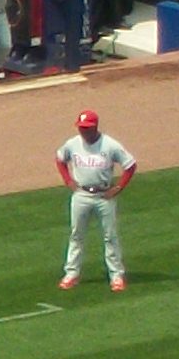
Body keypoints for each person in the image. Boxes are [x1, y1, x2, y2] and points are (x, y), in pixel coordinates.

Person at [54, 110, 135, 292]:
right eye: (81, 128)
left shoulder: (110, 145)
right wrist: (68, 180)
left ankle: (116, 276)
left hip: (103, 195)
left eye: (87, 128)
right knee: (76, 235)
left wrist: (119, 187)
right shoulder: (73, 144)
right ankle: (71, 273)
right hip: (81, 194)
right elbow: (60, 159)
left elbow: (130, 165)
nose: (83, 132)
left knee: (110, 236)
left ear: (95, 127)